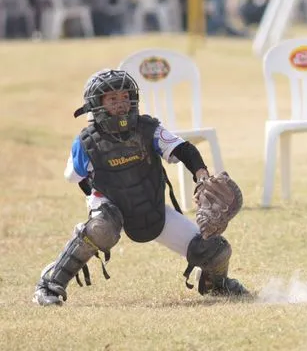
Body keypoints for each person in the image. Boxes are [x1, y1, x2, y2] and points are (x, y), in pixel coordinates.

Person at [33, 69, 249, 306]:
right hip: (109, 207)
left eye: (125, 97)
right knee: (101, 228)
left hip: (149, 206)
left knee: (216, 250)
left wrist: (202, 176)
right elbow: (75, 177)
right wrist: (96, 200)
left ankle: (215, 284)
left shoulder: (148, 129)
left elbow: (183, 150)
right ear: (97, 104)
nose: (121, 105)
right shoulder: (86, 142)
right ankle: (49, 284)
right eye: (112, 99)